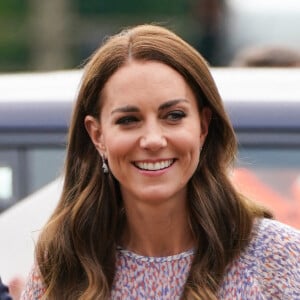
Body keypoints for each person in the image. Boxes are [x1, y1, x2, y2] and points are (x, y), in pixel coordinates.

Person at [21, 24, 300, 299]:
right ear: (97, 135)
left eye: (174, 115)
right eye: (128, 120)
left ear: (203, 126)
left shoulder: (276, 255)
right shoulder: (63, 266)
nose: (153, 140)